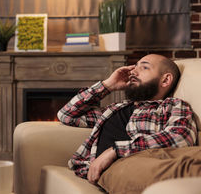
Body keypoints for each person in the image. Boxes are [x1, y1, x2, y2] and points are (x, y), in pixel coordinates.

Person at [57, 54, 197, 185]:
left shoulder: (173, 106)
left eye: (144, 67)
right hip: (93, 171)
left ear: (165, 80)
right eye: (135, 66)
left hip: (132, 167)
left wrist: (116, 151)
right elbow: (66, 114)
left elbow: (180, 137)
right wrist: (108, 85)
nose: (133, 72)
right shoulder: (115, 108)